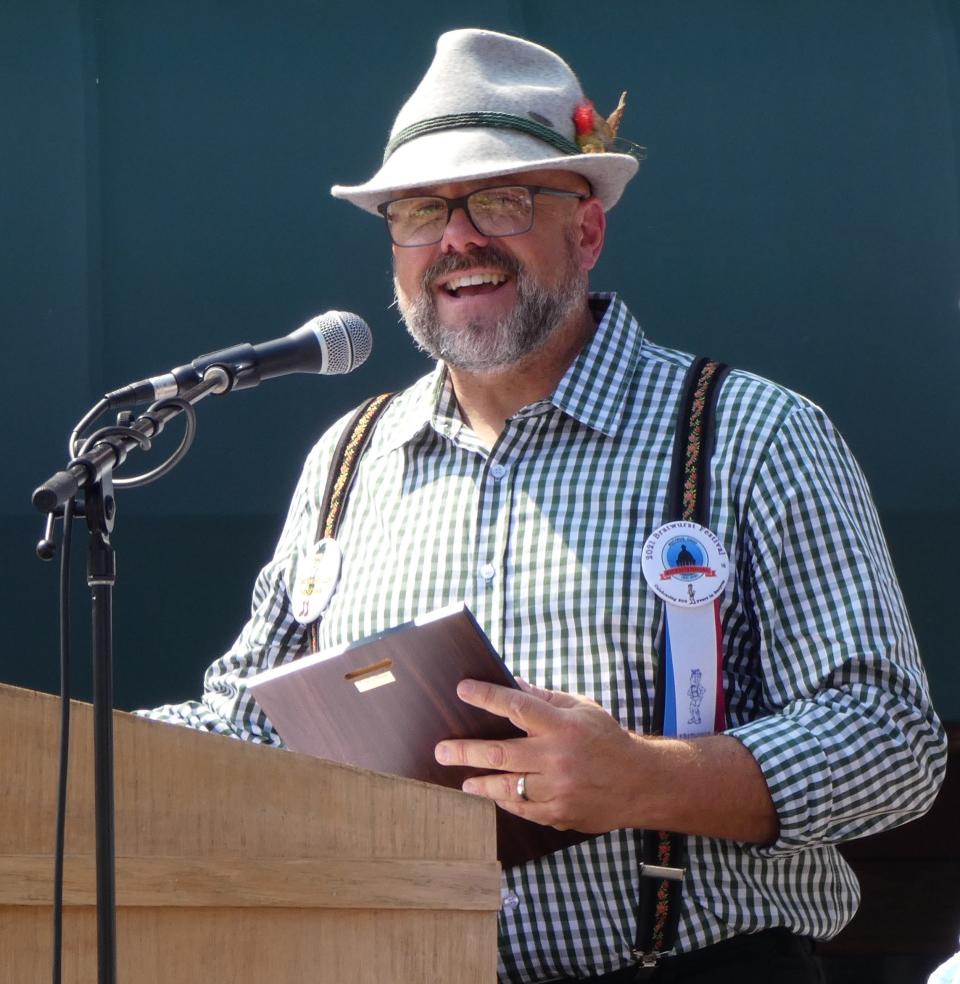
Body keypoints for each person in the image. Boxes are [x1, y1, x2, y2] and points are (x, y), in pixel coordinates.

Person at [142, 28, 947, 983]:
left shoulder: (753, 434)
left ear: (588, 229)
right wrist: (64, 758)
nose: (456, 237)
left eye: (502, 198)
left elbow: (891, 741)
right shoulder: (348, 460)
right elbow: (247, 726)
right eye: (419, 210)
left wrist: (649, 777)